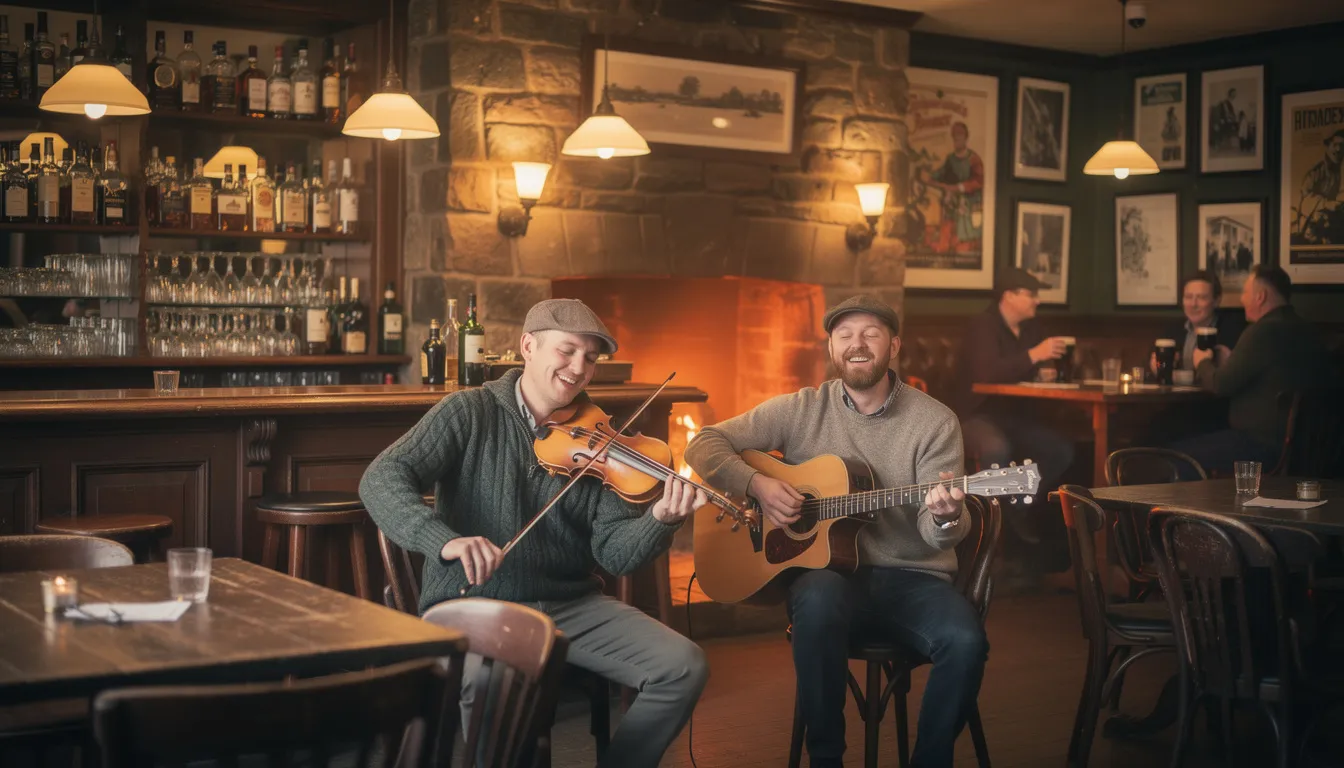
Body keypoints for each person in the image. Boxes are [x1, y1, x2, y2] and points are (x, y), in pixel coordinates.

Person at [360, 298, 708, 768]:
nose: (578, 367)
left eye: (590, 357)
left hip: (569, 604)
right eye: (567, 351)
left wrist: (659, 521)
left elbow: (615, 554)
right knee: (493, 687)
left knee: (682, 665)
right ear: (528, 345)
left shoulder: (603, 439)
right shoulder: (469, 411)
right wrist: (443, 541)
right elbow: (381, 477)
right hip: (475, 603)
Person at [685, 295, 985, 768]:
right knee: (818, 596)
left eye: (871, 333)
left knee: (967, 641)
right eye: (845, 335)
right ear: (831, 347)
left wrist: (947, 514)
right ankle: (826, 759)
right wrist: (758, 485)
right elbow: (703, 442)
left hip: (913, 580)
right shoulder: (803, 408)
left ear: (894, 345)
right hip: (831, 576)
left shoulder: (935, 422)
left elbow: (937, 534)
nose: (857, 345)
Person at [952, 267, 1075, 543]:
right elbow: (987, 373)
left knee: (1060, 451)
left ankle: (1015, 510)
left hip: (1015, 416)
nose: (1037, 301)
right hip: (975, 415)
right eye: (1031, 294)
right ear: (1008, 296)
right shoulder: (982, 325)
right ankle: (991, 529)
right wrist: (1034, 355)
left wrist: (1041, 372)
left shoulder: (1032, 328)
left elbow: (1019, 370)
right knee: (997, 449)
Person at [1172, 265, 1329, 474]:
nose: (1241, 299)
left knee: (1175, 456)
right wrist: (1230, 361)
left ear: (1260, 297)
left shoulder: (1262, 331)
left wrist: (1202, 361)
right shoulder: (1306, 330)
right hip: (1307, 448)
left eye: (1245, 292)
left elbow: (1220, 385)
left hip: (1260, 446)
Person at [1151, 271, 1246, 374]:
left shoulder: (1232, 330)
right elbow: (1156, 365)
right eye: (1188, 297)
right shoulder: (1173, 330)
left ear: (1216, 301)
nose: (1193, 304)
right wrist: (1158, 366)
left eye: (1201, 297)